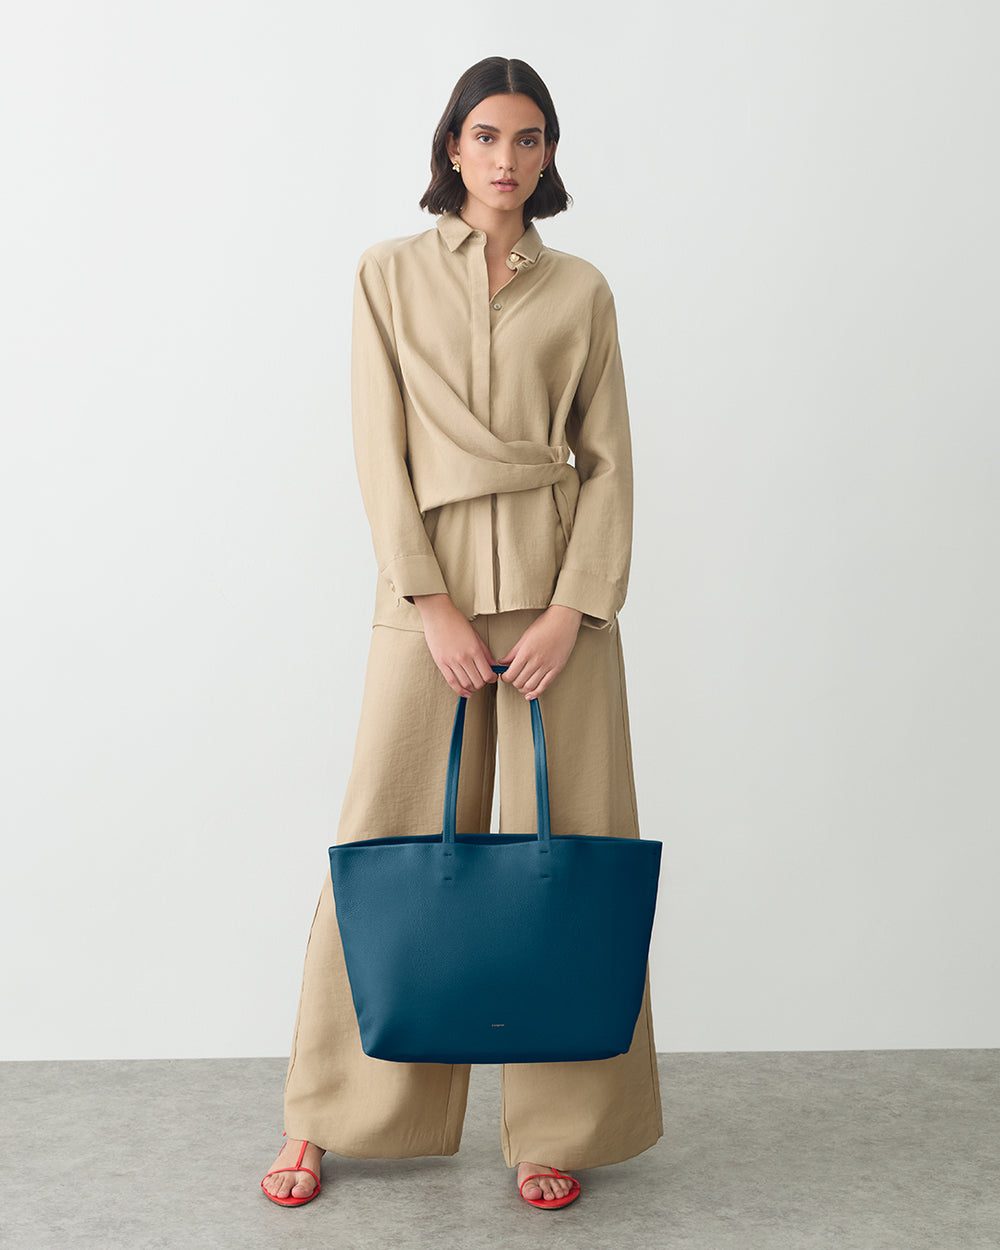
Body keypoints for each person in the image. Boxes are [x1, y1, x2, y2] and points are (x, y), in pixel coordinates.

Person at [260, 55, 663, 1211]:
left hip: (557, 603)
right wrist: (427, 599)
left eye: (529, 138)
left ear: (548, 154)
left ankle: (561, 1121)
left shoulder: (581, 289)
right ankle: (326, 1112)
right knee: (381, 843)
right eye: (486, 136)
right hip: (422, 595)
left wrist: (573, 609)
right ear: (451, 147)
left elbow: (612, 460)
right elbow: (376, 449)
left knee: (574, 848)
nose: (506, 158)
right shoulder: (385, 276)